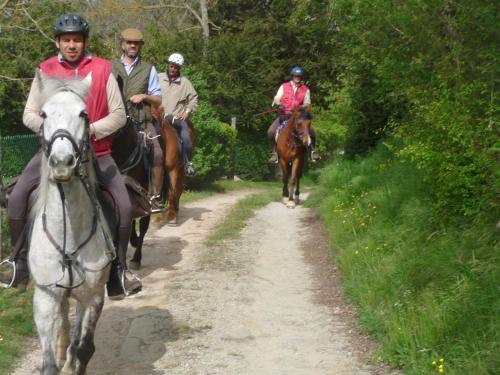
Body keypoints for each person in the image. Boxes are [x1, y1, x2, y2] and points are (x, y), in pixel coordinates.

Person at [0, 13, 141, 298]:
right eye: (67, 40)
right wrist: (56, 133)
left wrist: (90, 131)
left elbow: (119, 115)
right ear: (57, 42)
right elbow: (28, 113)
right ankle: (19, 264)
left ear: (85, 41)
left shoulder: (102, 70)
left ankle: (118, 272)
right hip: (52, 153)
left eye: (77, 39)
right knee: (16, 197)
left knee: (124, 206)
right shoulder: (45, 69)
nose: (72, 45)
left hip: (97, 152)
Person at [112, 28, 163, 211]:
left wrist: (144, 96)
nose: (132, 45)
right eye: (129, 42)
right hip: (114, 122)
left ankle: (155, 197)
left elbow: (158, 99)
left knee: (157, 154)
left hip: (142, 122)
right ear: (122, 45)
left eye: (136, 43)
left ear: (140, 46)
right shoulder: (109, 67)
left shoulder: (149, 69)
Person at [267, 66, 321, 164]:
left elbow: (307, 103)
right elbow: (277, 98)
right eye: (295, 76)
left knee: (311, 132)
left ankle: (313, 151)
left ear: (301, 77)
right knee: (270, 131)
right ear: (292, 76)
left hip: (298, 117)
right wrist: (280, 104)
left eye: (299, 76)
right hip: (283, 116)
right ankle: (274, 153)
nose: (297, 78)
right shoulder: (284, 86)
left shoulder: (306, 89)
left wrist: (300, 108)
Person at [158, 53, 198, 176]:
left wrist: (187, 111)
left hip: (174, 117)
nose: (173, 69)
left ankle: (188, 163)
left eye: (176, 67)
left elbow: (194, 98)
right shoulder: (158, 77)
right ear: (168, 65)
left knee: (185, 132)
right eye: (171, 66)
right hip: (157, 116)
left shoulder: (185, 82)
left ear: (179, 68)